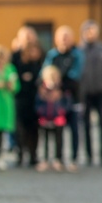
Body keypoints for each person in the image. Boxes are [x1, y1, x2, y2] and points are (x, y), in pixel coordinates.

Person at [43, 26, 83, 167]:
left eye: (67, 36)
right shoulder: (52, 55)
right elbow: (46, 72)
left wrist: (59, 86)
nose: (64, 40)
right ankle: (55, 158)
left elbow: (75, 75)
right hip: (54, 99)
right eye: (61, 36)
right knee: (54, 129)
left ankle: (73, 158)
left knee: (74, 129)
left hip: (72, 97)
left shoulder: (77, 54)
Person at [12, 26, 44, 168]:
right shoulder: (15, 56)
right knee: (20, 128)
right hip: (20, 97)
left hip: (34, 97)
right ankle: (20, 154)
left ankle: (33, 154)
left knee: (34, 128)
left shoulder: (40, 56)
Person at [79, 21, 102, 166]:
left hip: (101, 91)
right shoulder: (79, 50)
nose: (91, 34)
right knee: (85, 125)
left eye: (93, 31)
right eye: (88, 31)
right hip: (85, 92)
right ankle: (89, 154)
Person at [36, 66, 71, 172]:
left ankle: (58, 159)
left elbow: (67, 103)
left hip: (58, 119)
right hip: (45, 118)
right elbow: (37, 105)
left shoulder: (62, 90)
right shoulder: (42, 91)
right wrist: (41, 112)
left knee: (59, 140)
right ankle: (45, 159)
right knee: (45, 140)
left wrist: (61, 111)